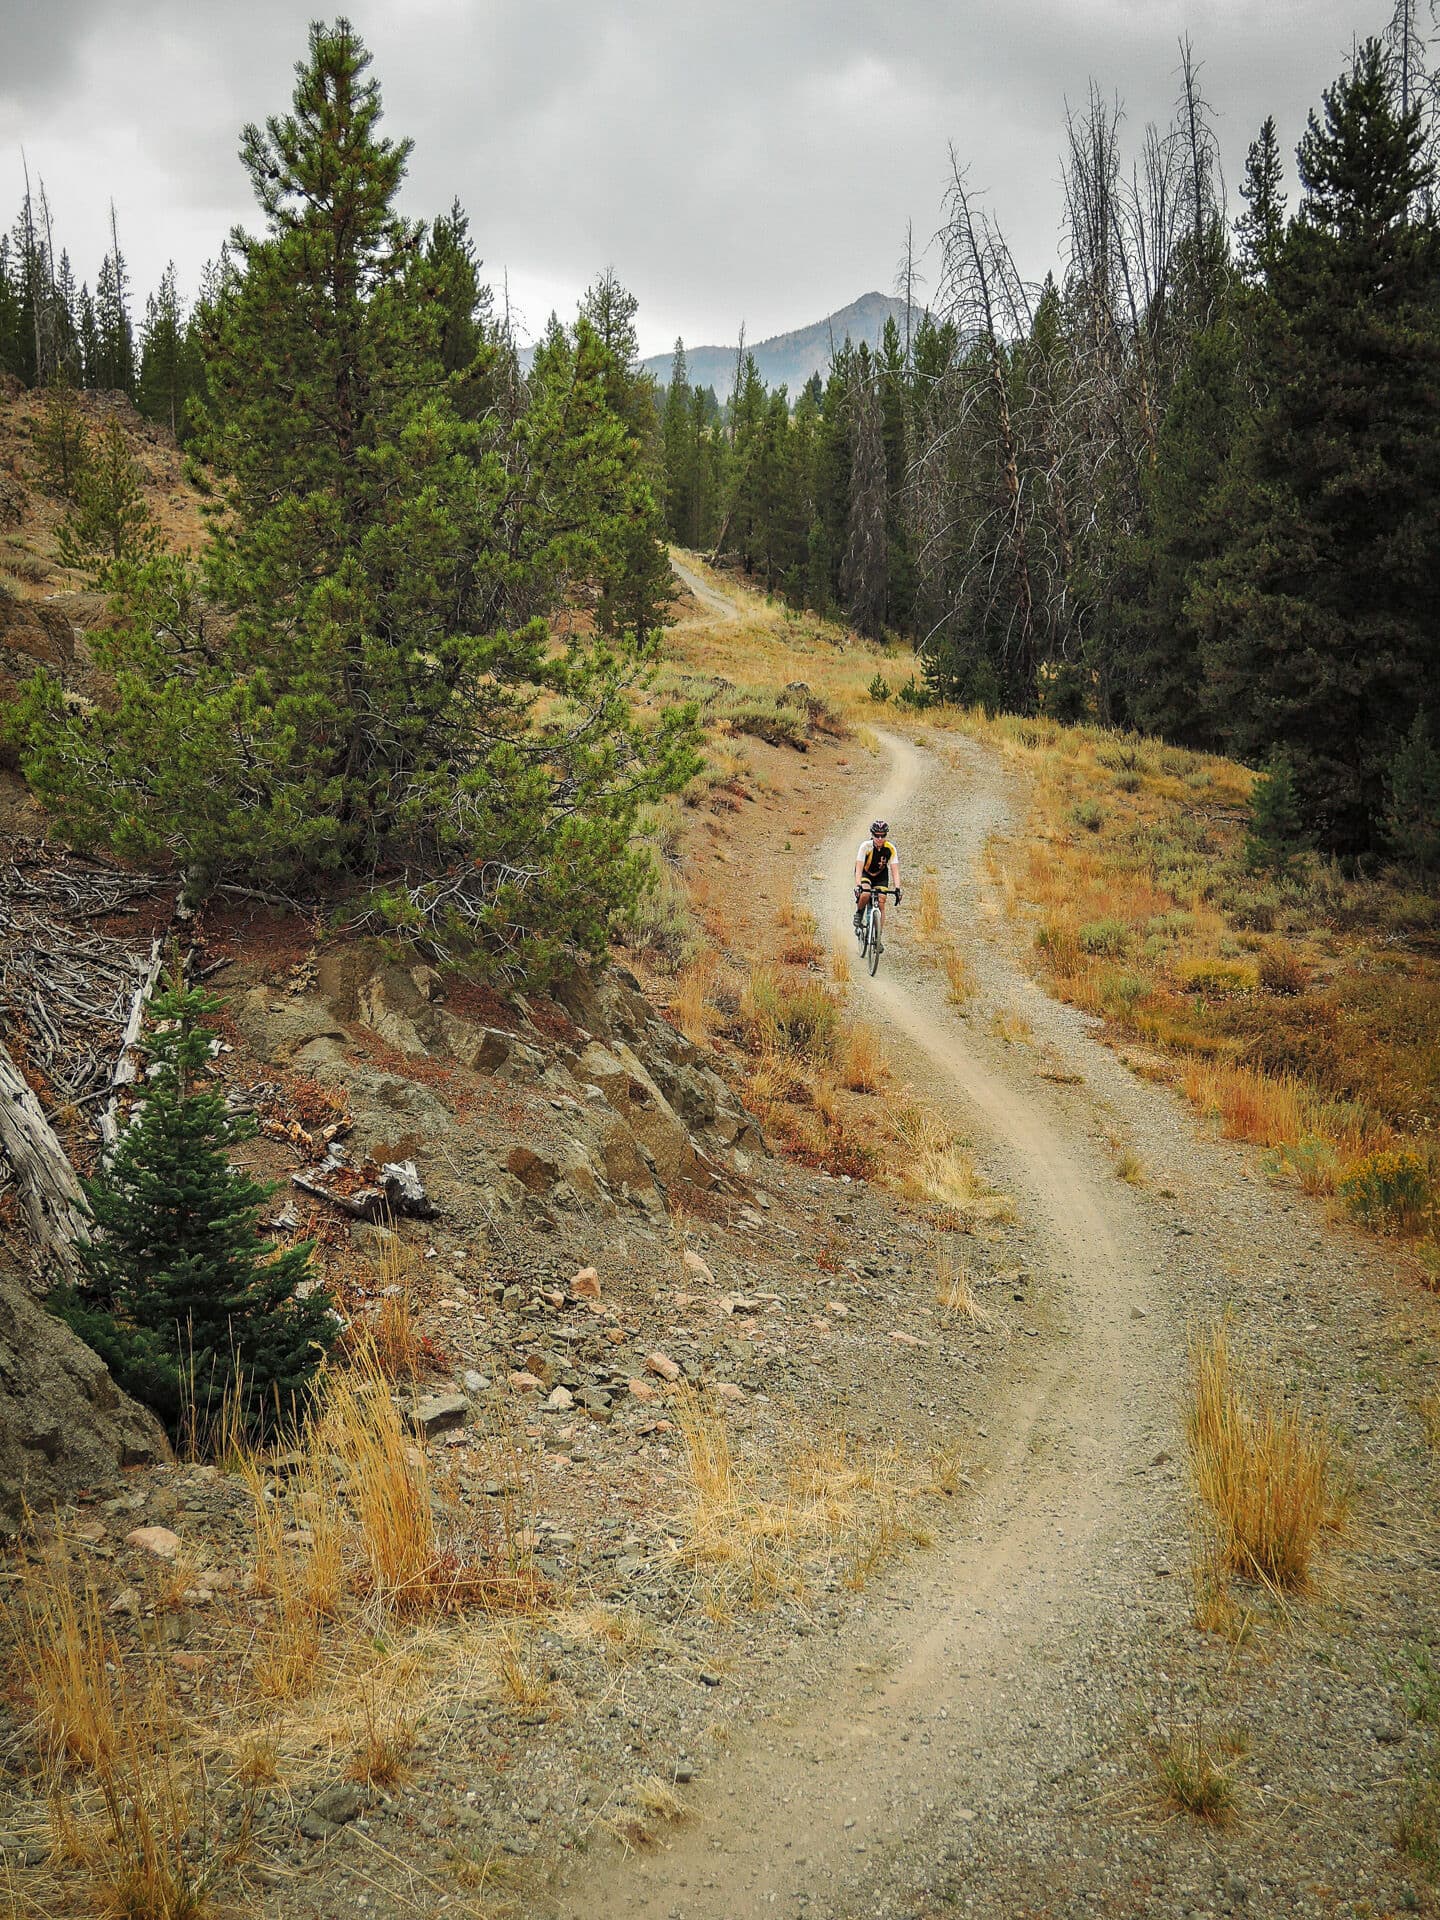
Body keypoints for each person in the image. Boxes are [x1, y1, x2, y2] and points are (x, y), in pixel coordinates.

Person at [854, 819, 901, 941]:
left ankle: (878, 937)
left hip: (881, 875)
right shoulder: (866, 846)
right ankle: (859, 913)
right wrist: (858, 885)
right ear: (872, 834)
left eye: (883, 835)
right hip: (866, 873)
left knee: (882, 901)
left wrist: (897, 888)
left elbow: (894, 869)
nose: (880, 838)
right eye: (877, 835)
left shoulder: (890, 848)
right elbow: (859, 867)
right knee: (866, 893)